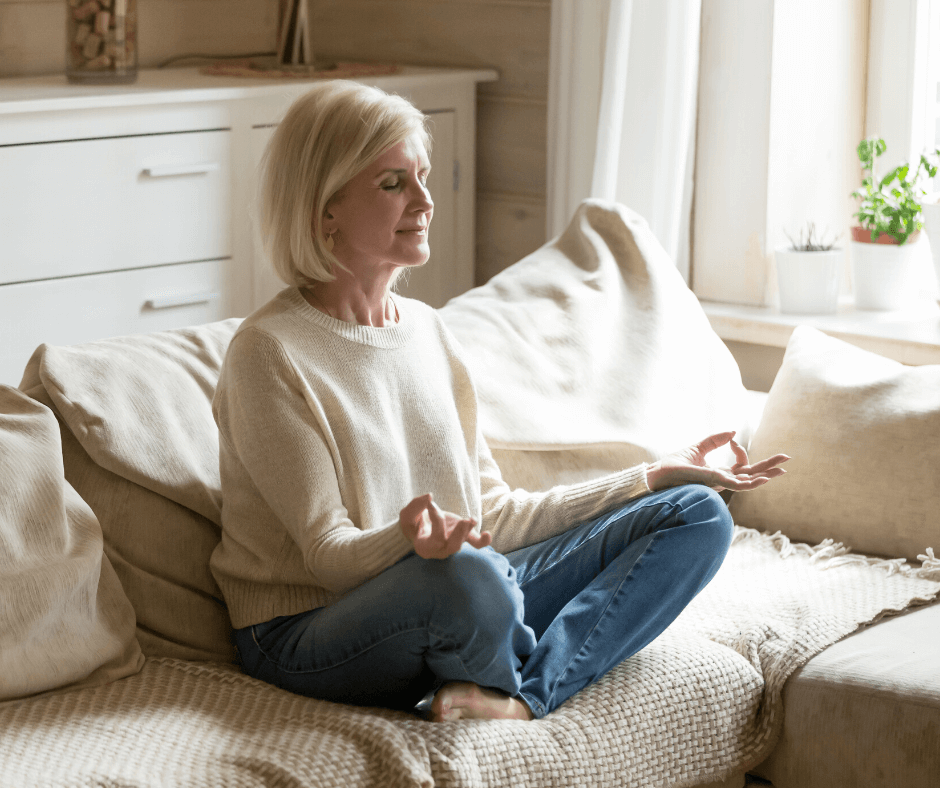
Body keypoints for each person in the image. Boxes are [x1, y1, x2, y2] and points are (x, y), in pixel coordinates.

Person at [210, 80, 789, 723]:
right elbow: (327, 553)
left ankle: (517, 696)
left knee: (697, 514)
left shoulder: (429, 332)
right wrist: (409, 540)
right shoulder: (268, 352)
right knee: (470, 578)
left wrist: (653, 474)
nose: (426, 201)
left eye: (424, 176)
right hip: (306, 629)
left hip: (453, 588)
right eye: (393, 183)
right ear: (325, 212)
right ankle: (505, 662)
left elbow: (496, 514)